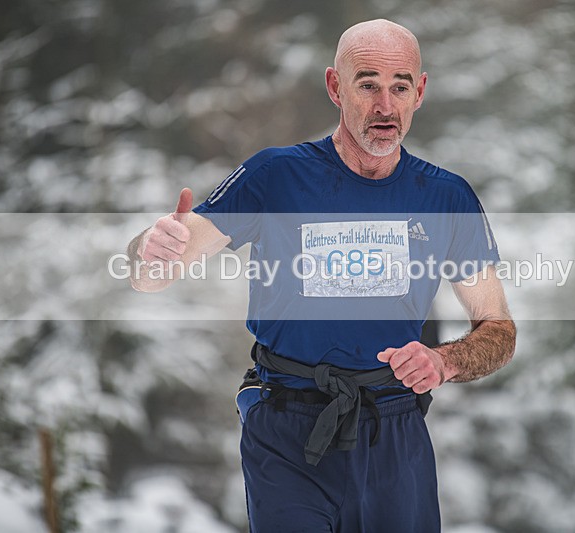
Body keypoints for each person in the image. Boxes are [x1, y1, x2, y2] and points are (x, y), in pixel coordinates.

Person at [127, 19, 516, 532]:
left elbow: (499, 331)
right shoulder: (275, 177)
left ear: (419, 92)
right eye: (368, 84)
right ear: (336, 87)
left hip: (393, 434)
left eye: (400, 86)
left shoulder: (446, 198)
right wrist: (150, 252)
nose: (385, 106)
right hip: (288, 432)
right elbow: (154, 272)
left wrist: (443, 362)